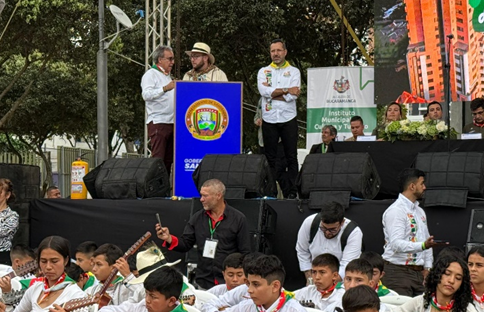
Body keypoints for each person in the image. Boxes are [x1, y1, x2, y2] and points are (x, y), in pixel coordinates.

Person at [156, 179, 251, 289]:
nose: (201, 199)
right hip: (204, 281)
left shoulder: (238, 219)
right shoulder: (197, 218)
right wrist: (168, 238)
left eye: (205, 196)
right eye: (201, 195)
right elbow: (186, 243)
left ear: (218, 195)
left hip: (229, 284)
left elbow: (245, 253)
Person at [382, 168, 444, 296]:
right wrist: (422, 245)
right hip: (397, 272)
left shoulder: (420, 211)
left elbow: (427, 240)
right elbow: (396, 244)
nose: (424, 187)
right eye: (422, 184)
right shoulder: (396, 211)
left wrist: (428, 268)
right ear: (412, 186)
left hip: (418, 274)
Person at [257, 39, 301, 199]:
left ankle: (293, 192)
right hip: (269, 119)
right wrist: (286, 90)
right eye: (272, 51)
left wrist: (274, 94)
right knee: (270, 157)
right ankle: (271, 191)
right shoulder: (263, 71)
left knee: (291, 156)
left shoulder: (294, 71)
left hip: (288, 118)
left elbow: (293, 96)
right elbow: (263, 92)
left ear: (285, 52)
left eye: (278, 50)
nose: (275, 54)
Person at [295, 202, 363, 280]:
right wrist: (310, 278)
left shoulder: (353, 232)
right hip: (314, 276)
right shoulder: (309, 223)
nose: (327, 232)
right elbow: (302, 250)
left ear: (342, 223)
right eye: (323, 228)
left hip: (340, 280)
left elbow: (347, 264)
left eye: (332, 230)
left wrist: (328, 286)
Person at [141, 44, 177, 174]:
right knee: (158, 159)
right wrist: (165, 88)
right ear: (160, 60)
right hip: (158, 122)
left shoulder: (167, 76)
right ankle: (154, 188)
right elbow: (146, 95)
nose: (172, 62)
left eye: (173, 59)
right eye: (170, 59)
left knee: (168, 160)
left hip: (172, 122)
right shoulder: (150, 74)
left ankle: (164, 188)